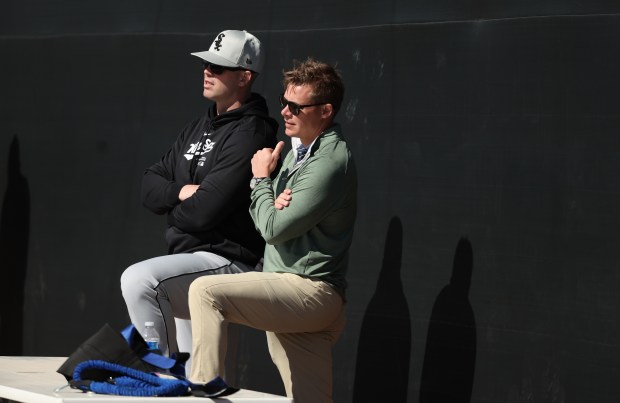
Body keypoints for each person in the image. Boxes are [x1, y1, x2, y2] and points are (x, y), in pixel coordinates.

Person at [188, 58, 357, 403]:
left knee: (205, 291)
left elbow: (271, 227)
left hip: (307, 292)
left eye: (296, 106)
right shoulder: (299, 153)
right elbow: (270, 217)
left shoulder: (328, 163)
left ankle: (203, 388)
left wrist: (262, 179)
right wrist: (271, 195)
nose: (285, 111)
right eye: (283, 102)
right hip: (294, 295)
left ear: (325, 111)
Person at [120, 30, 279, 357]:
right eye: (206, 64)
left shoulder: (253, 131)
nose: (207, 71)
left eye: (218, 67)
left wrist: (173, 210)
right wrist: (180, 191)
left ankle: (158, 374)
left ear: (244, 77)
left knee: (140, 281)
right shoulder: (196, 127)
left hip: (229, 261)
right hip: (188, 260)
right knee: (203, 376)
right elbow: (149, 184)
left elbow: (206, 209)